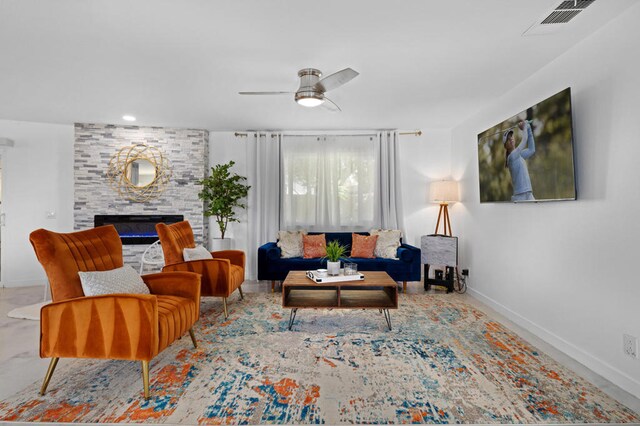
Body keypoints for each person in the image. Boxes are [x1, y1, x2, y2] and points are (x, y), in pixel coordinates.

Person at [503, 120, 536, 201]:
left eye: (511, 137)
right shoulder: (511, 157)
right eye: (508, 139)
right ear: (505, 146)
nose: (511, 139)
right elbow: (524, 140)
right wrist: (525, 127)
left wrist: (528, 129)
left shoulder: (519, 155)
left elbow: (532, 149)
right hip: (520, 197)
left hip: (528, 194)